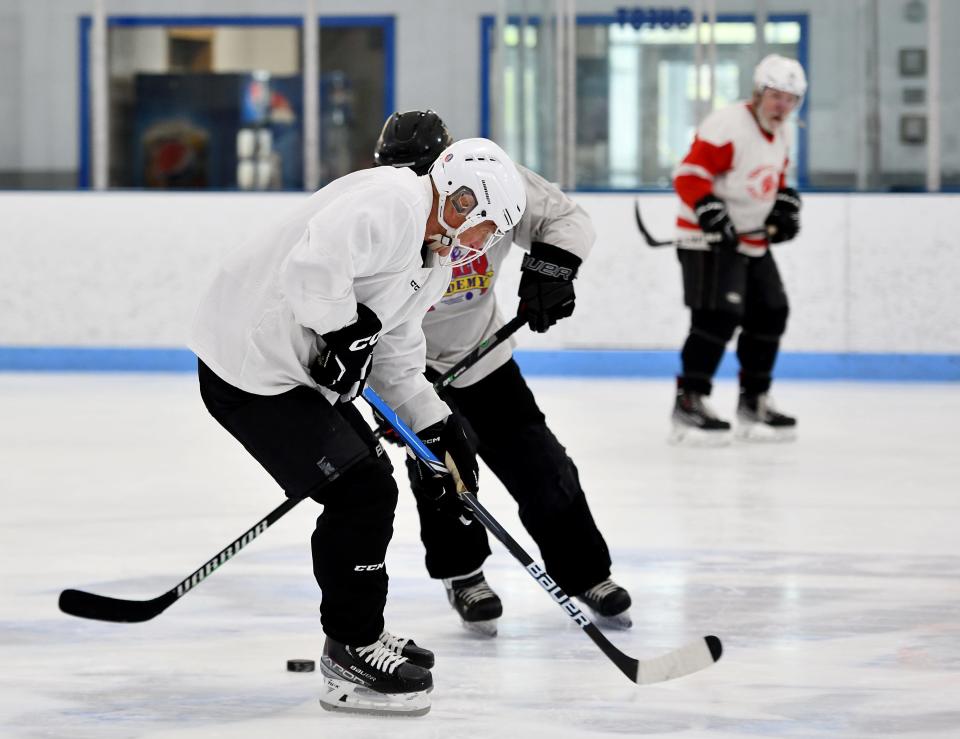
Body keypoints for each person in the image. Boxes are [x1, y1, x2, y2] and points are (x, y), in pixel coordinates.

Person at [189, 137, 526, 716]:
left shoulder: (433, 260)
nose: (480, 245)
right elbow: (314, 272)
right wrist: (345, 332)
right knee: (363, 492)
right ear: (461, 198)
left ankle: (359, 631)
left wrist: (440, 430)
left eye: (491, 237)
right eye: (483, 227)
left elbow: (396, 351)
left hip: (291, 371)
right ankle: (351, 651)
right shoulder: (394, 200)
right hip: (249, 368)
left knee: (370, 482)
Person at [373, 110, 632, 636]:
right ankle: (463, 573)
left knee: (543, 465)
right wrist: (381, 393)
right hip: (409, 367)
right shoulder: (377, 215)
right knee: (445, 477)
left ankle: (584, 573)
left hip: (484, 356)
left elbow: (567, 219)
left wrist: (551, 269)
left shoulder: (485, 184)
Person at [670, 54, 806, 444]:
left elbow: (772, 176)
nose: (782, 106)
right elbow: (689, 175)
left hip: (750, 239)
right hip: (705, 239)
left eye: (790, 99)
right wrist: (711, 212)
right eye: (776, 96)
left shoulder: (783, 131)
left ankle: (754, 401)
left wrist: (782, 202)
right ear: (760, 92)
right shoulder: (729, 125)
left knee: (771, 311)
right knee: (717, 317)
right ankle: (689, 403)